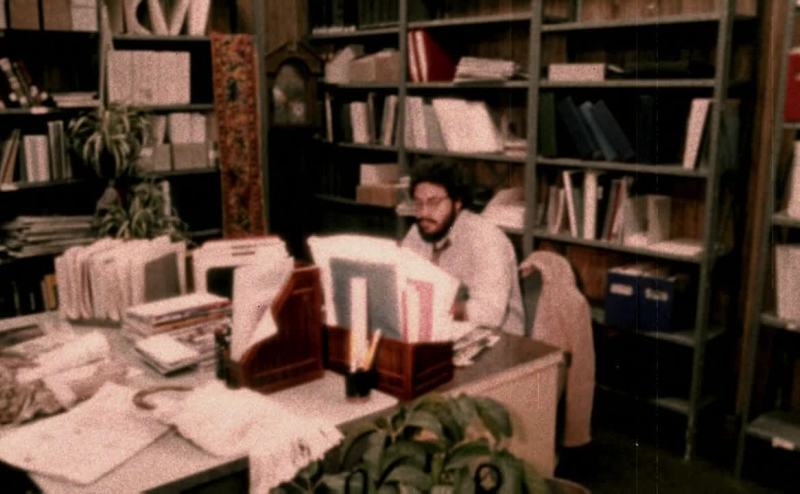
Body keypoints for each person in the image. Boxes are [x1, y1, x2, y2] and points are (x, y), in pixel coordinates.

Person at [401, 159, 524, 334]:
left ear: (457, 202)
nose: (424, 213)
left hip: (498, 338)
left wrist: (431, 308)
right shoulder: (417, 233)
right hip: (442, 330)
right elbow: (402, 284)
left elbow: (489, 313)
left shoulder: (486, 239)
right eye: (418, 203)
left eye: (434, 203)